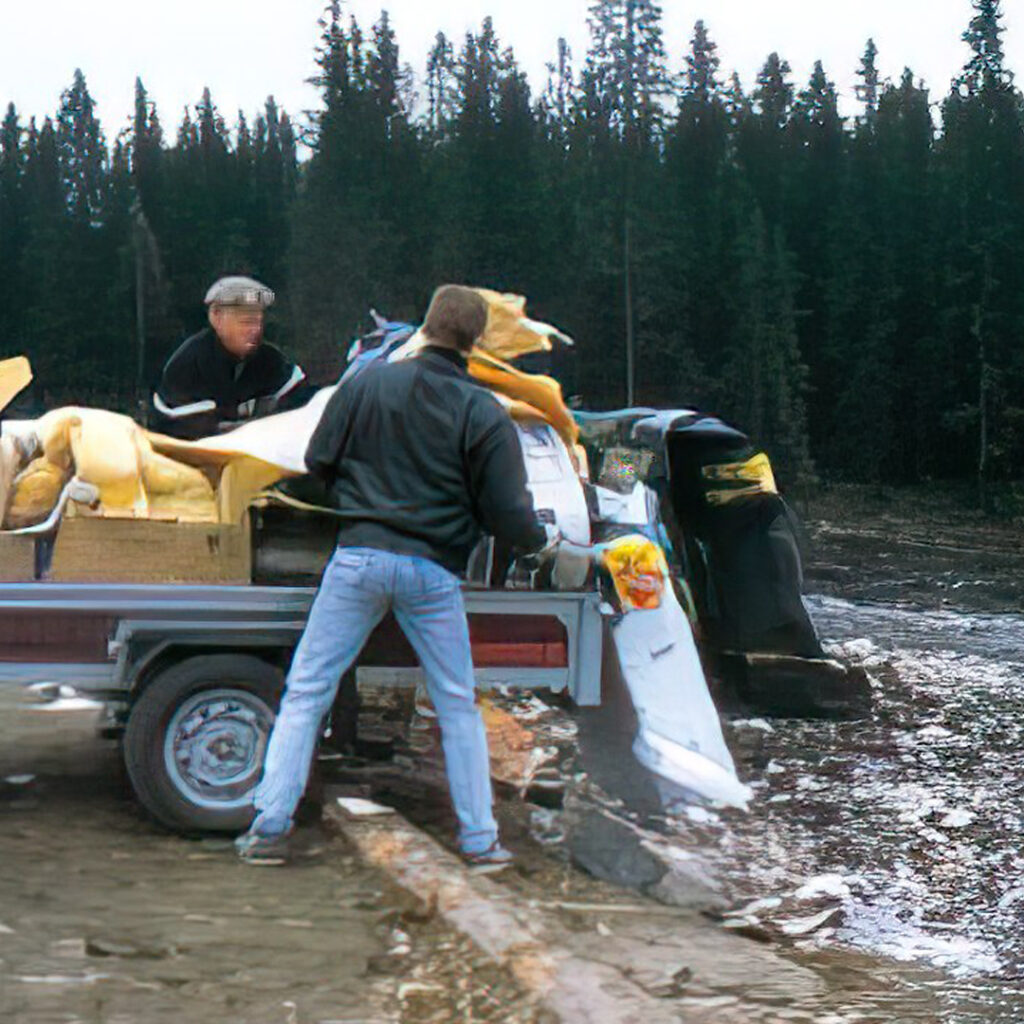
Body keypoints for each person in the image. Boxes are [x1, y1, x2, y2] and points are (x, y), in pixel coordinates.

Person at [236, 284, 549, 867]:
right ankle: (481, 843)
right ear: (475, 342)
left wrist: (359, 495)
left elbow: (316, 462)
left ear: (426, 325)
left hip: (358, 560)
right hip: (433, 573)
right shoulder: (483, 411)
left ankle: (268, 828)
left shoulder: (366, 384)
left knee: (307, 691)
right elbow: (508, 512)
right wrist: (540, 544)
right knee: (457, 704)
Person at [151, 275, 310, 440]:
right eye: (246, 322)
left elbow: (299, 404)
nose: (255, 330)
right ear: (216, 318)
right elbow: (182, 432)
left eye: (259, 322)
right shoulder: (188, 366)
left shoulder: (271, 360)